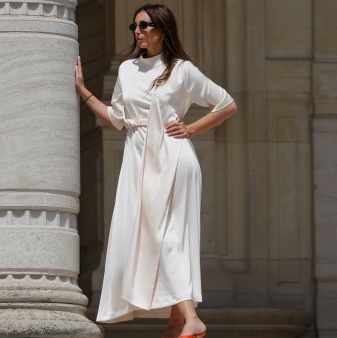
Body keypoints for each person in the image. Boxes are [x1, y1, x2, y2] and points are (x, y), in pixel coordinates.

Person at [75, 4, 237, 338]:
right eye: (134, 26)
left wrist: (190, 129)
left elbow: (226, 104)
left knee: (166, 237)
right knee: (153, 238)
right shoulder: (127, 70)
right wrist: (84, 92)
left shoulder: (182, 70)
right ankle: (178, 322)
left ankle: (191, 317)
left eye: (145, 25)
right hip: (137, 158)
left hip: (172, 157)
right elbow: (117, 119)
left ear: (162, 29)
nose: (138, 31)